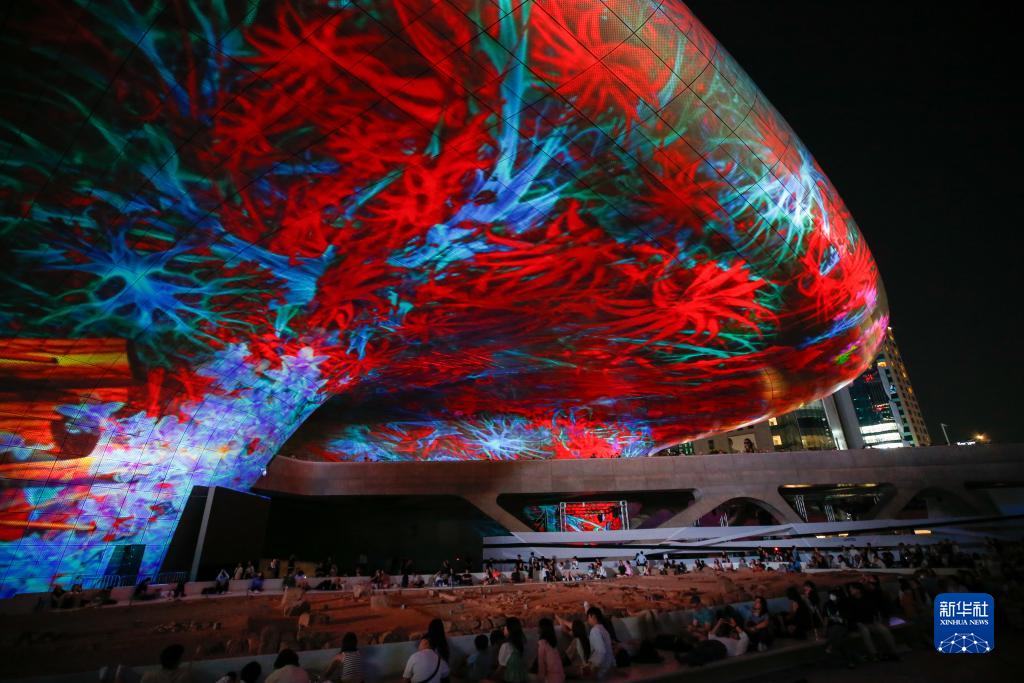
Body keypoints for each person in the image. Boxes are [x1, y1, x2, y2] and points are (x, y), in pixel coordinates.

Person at [848, 582, 899, 661]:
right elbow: (851, 616)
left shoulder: (867, 597)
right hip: (861, 624)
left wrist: (876, 618)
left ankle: (894, 652)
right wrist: (857, 623)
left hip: (872, 622)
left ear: (858, 590)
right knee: (865, 631)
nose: (850, 590)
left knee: (884, 630)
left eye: (852, 589)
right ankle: (874, 654)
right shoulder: (851, 601)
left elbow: (875, 605)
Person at [585, 607, 614, 679]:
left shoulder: (595, 630)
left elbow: (601, 651)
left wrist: (594, 669)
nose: (587, 620)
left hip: (600, 670)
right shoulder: (604, 630)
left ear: (593, 616)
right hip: (608, 667)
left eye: (588, 617)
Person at [496, 617, 528, 683]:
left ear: (509, 629)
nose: (503, 629)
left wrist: (492, 677)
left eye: (505, 626)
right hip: (522, 679)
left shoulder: (506, 646)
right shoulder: (522, 643)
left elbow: (501, 668)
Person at [536, 618, 565, 683]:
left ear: (542, 629)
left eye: (538, 626)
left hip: (551, 678)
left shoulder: (542, 644)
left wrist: (540, 679)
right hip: (560, 677)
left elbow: (541, 665)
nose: (537, 628)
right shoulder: (552, 644)